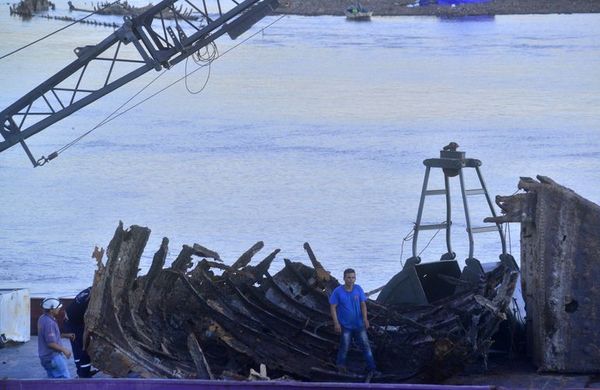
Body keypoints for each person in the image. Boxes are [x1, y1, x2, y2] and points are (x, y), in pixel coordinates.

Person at [329, 268, 377, 375]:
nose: (351, 280)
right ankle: (340, 367)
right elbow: (333, 307)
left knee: (366, 346)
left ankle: (372, 368)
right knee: (344, 346)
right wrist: (336, 323)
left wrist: (365, 319)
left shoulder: (358, 289)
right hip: (345, 326)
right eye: (349, 277)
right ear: (344, 278)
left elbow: (363, 305)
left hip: (359, 325)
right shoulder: (338, 291)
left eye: (353, 277)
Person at [64, 287, 98, 378]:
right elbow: (87, 327)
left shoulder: (89, 290)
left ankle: (81, 372)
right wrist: (84, 345)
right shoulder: (94, 299)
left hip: (69, 320)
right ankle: (84, 375)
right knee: (83, 350)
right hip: (75, 324)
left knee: (76, 349)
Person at [38, 297, 75, 378]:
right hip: (53, 357)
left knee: (53, 382)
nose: (59, 309)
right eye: (58, 308)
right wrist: (65, 350)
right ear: (51, 310)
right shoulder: (50, 323)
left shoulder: (42, 318)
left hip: (45, 358)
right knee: (65, 381)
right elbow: (50, 343)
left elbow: (48, 336)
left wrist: (66, 335)